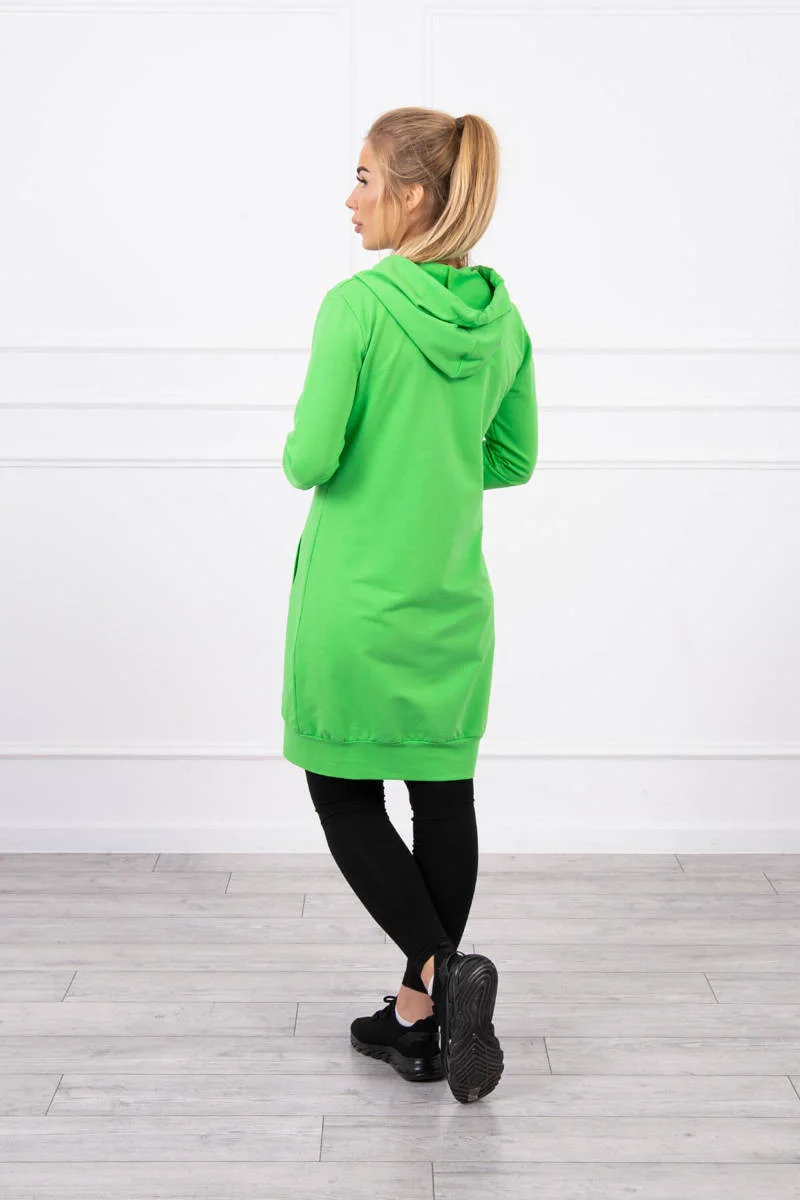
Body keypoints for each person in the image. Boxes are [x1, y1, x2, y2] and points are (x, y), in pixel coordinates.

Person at [280, 107, 538, 1103]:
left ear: (414, 195)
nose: (349, 200)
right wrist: (435, 461)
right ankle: (420, 1021)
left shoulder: (355, 308)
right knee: (442, 795)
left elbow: (310, 456)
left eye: (363, 178)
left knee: (342, 792)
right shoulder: (501, 319)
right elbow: (511, 457)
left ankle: (440, 969)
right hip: (450, 601)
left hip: (355, 601)